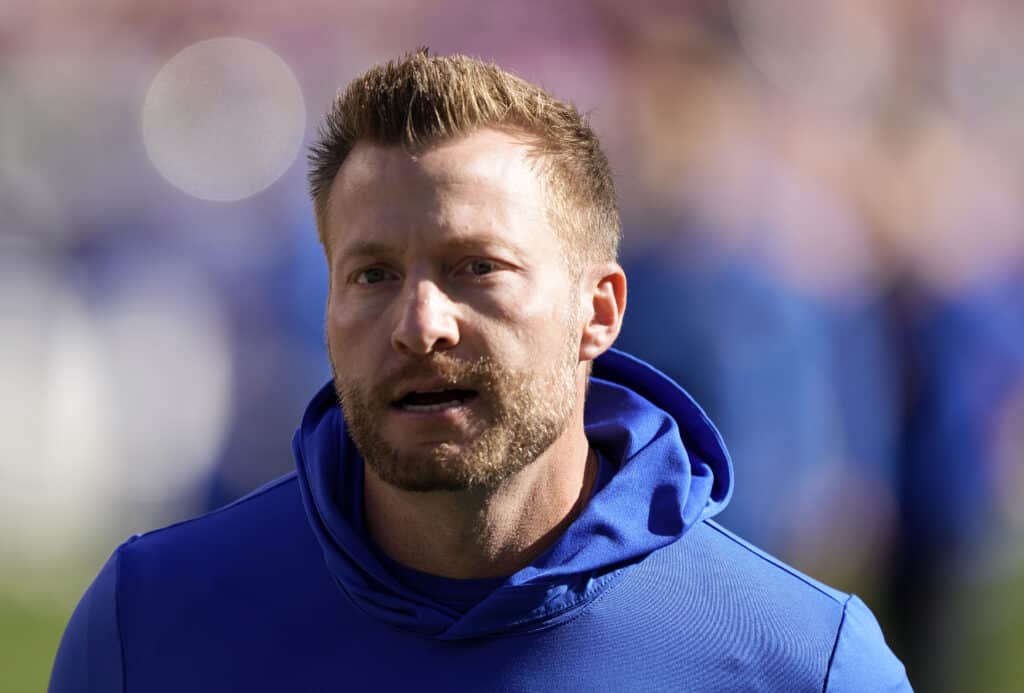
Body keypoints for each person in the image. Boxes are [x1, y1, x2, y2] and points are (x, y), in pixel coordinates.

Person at [49, 51, 911, 692]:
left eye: (476, 268)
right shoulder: (151, 624)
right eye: (372, 275)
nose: (420, 325)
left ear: (599, 310)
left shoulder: (801, 662)